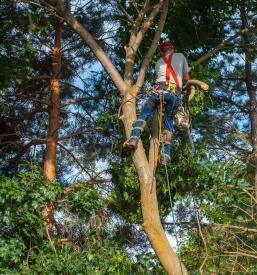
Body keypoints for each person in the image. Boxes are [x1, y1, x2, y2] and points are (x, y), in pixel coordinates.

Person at [123, 41, 190, 164]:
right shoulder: (181, 56)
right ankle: (165, 155)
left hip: (158, 92)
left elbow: (160, 77)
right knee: (168, 122)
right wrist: (182, 84)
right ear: (172, 49)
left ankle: (134, 138)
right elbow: (186, 78)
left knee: (144, 114)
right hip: (174, 94)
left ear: (161, 51)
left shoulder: (159, 62)